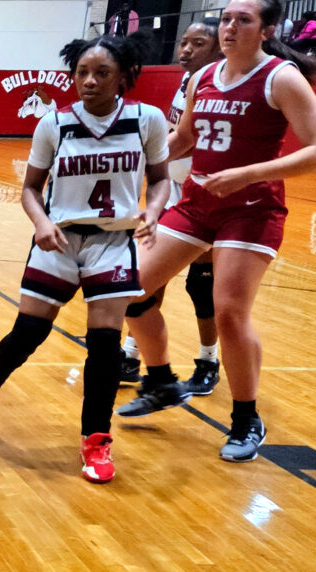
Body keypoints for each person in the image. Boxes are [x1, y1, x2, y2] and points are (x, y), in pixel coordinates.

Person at [116, 0, 316, 463]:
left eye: (244, 20)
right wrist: (133, 164)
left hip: (251, 209)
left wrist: (248, 174)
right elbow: (184, 139)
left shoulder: (281, 77)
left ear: (267, 29)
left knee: (230, 312)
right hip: (197, 204)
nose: (230, 27)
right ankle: (160, 382)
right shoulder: (203, 77)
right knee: (128, 290)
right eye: (228, 19)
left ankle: (246, 418)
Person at [0, 32, 170, 484]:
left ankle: (96, 439)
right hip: (59, 238)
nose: (89, 82)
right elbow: (30, 189)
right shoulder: (54, 123)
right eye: (82, 73)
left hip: (112, 241)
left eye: (101, 73)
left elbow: (161, 179)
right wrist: (40, 222)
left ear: (123, 78)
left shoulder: (146, 120)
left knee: (105, 346)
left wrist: (153, 210)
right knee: (29, 332)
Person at [121, 17, 224, 396]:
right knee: (148, 274)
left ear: (217, 48)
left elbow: (192, 140)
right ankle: (132, 354)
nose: (185, 50)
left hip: (206, 192)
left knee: (202, 284)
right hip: (172, 187)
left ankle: (208, 360)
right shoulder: (189, 82)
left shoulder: (222, 86)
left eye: (197, 44)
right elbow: (174, 132)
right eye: (183, 42)